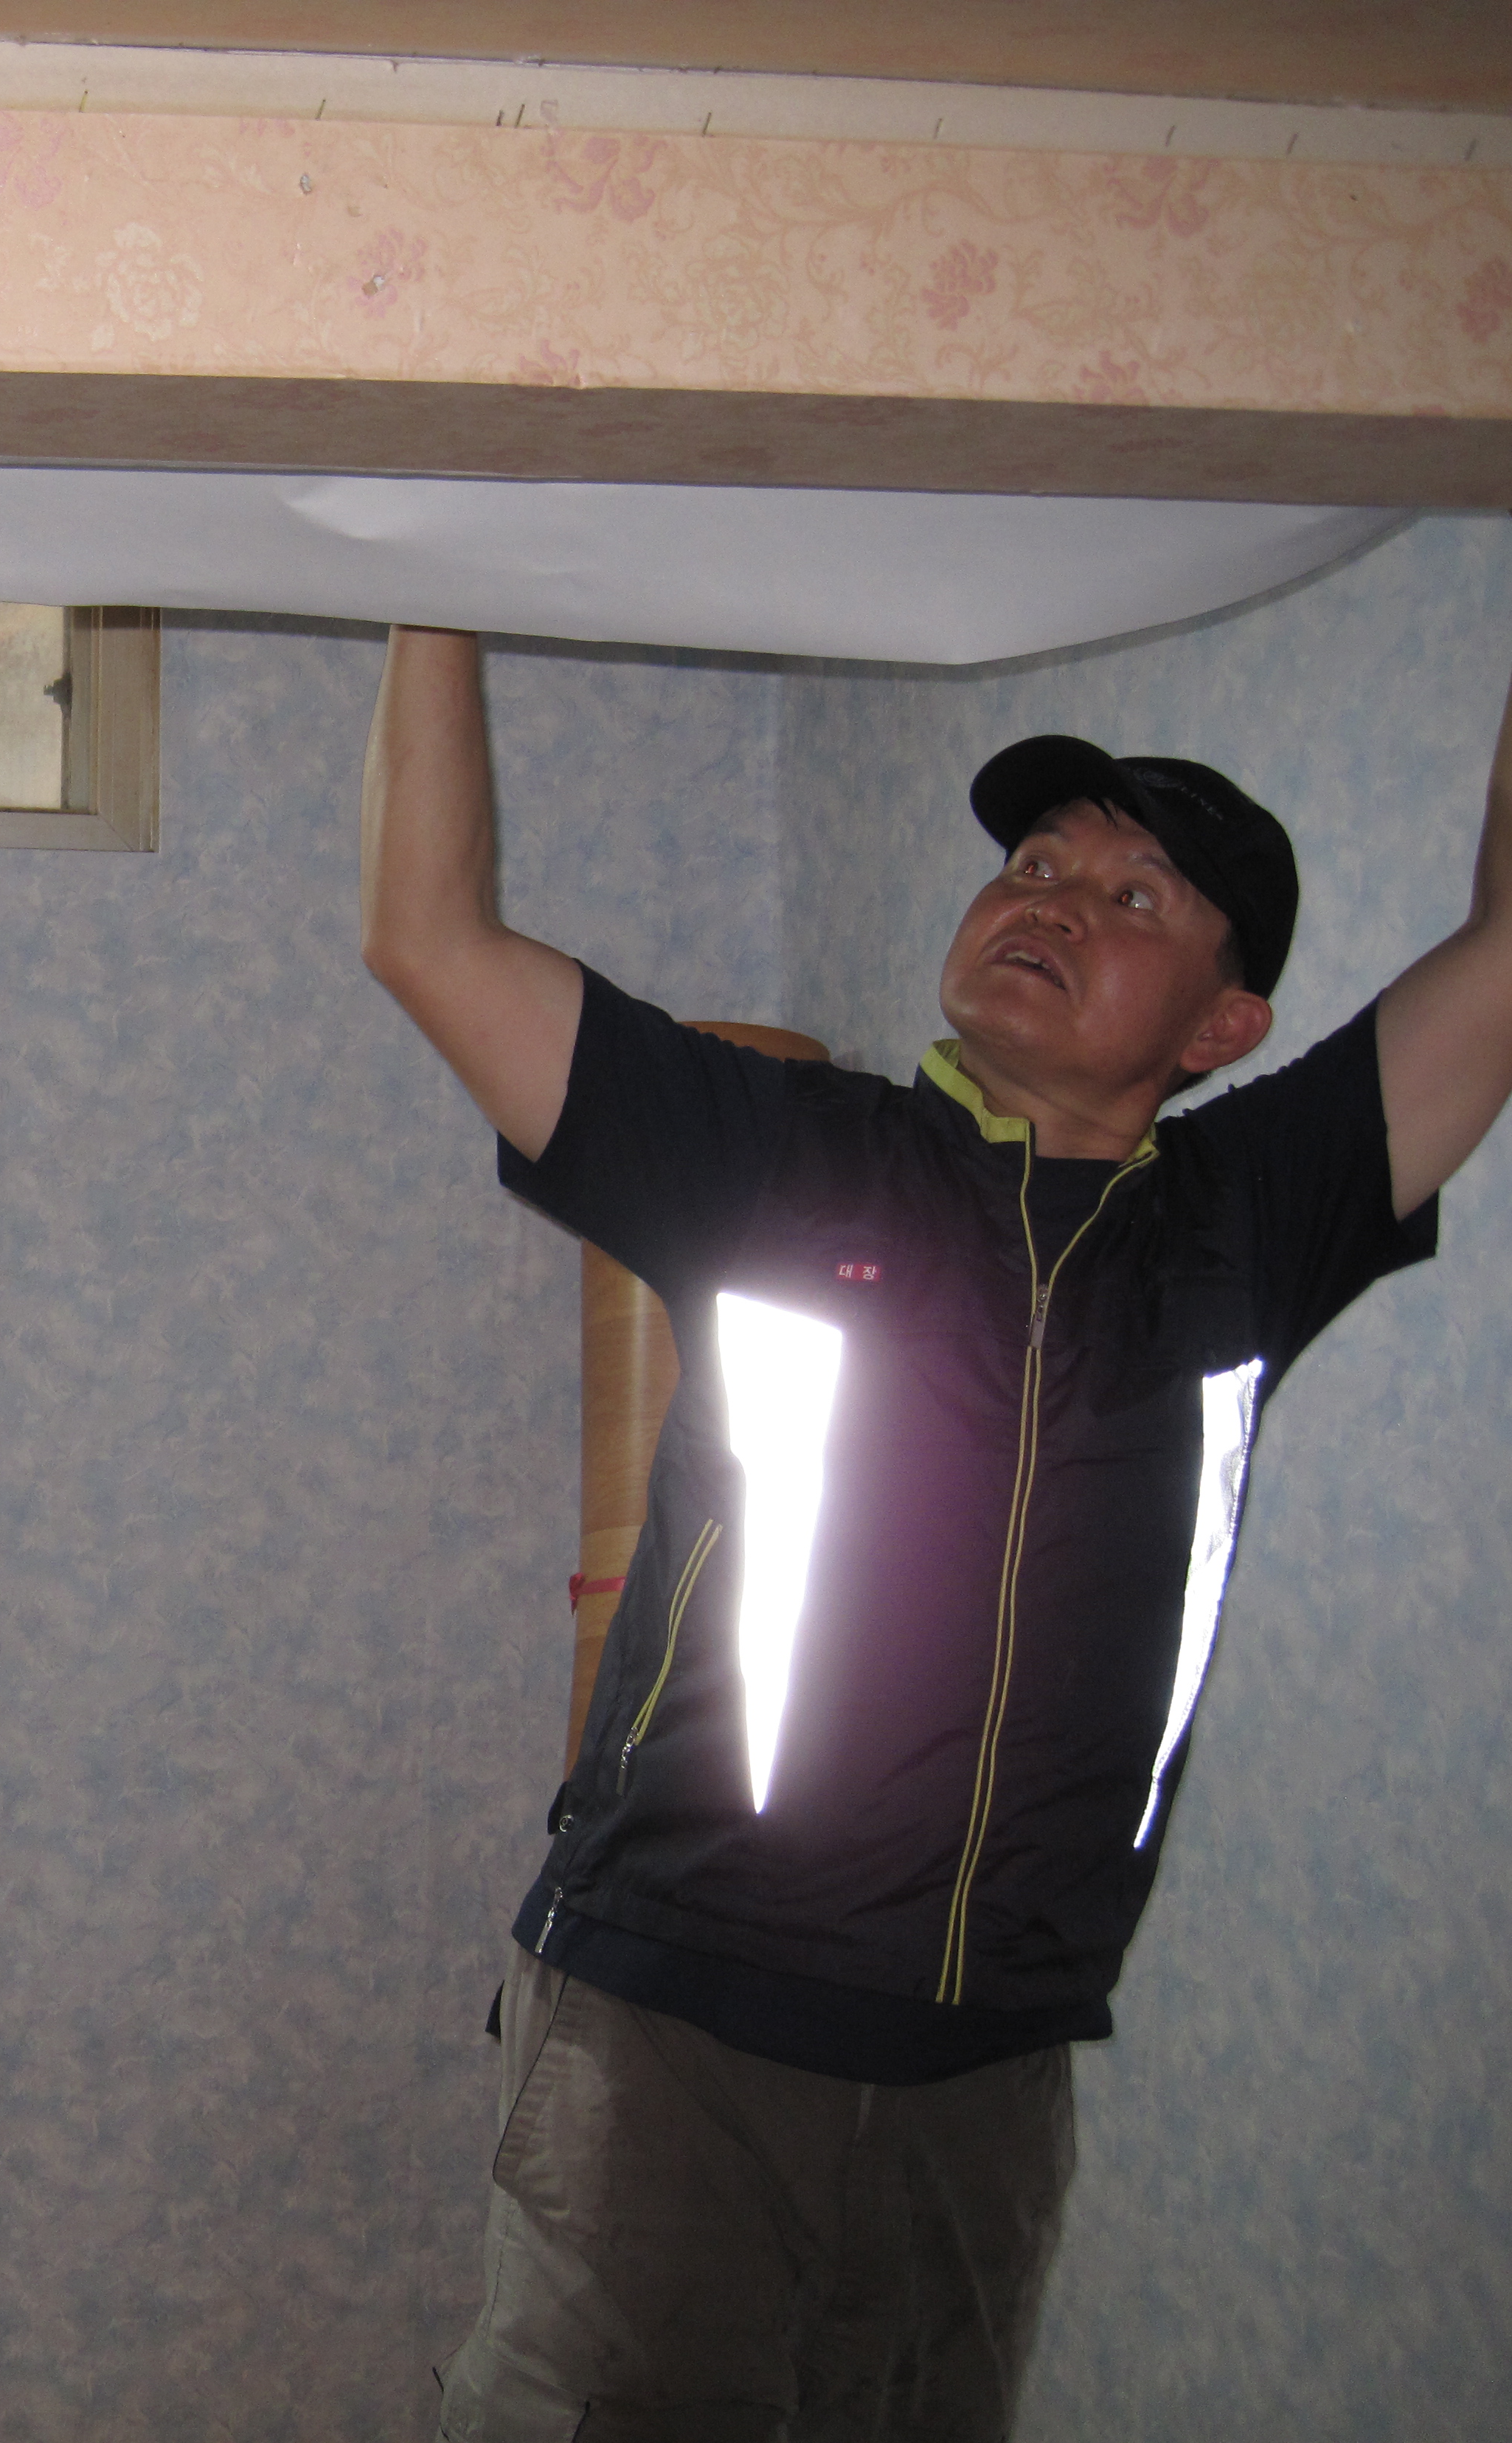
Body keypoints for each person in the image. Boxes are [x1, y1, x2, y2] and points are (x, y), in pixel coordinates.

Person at [358, 625, 1512, 2441]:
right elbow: (429, 940)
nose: (1052, 899)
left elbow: (1503, 964)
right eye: (1035, 862)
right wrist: (432, 585)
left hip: (993, 2067)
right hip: (681, 2031)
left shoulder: (1247, 1222)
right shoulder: (781, 1155)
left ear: (1223, 1029)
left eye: (1134, 894)